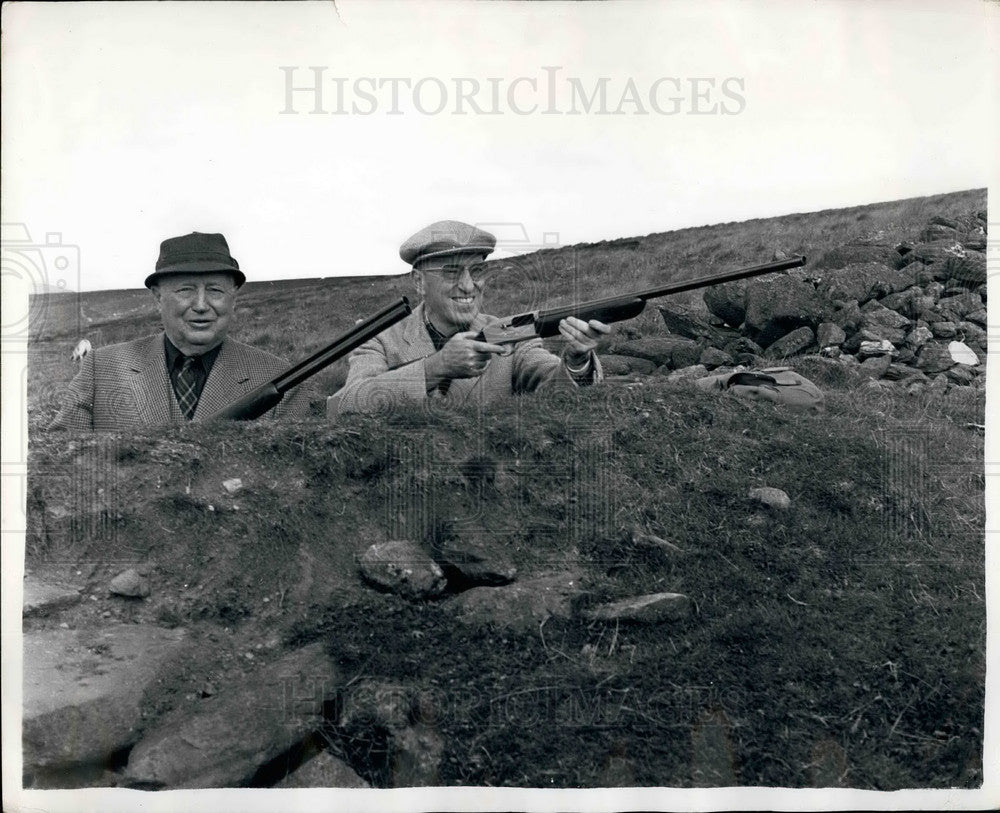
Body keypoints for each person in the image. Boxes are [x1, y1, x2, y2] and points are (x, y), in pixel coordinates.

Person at [328, 220, 610, 416]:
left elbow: (553, 391)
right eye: (452, 272)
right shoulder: (379, 337)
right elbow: (345, 406)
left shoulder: (508, 331)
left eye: (476, 271)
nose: (468, 285)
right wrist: (435, 367)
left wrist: (575, 362)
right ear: (418, 282)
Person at [50, 232, 310, 430]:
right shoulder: (101, 369)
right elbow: (60, 466)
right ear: (158, 296)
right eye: (185, 290)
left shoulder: (279, 379)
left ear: (234, 298)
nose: (200, 305)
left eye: (215, 290)